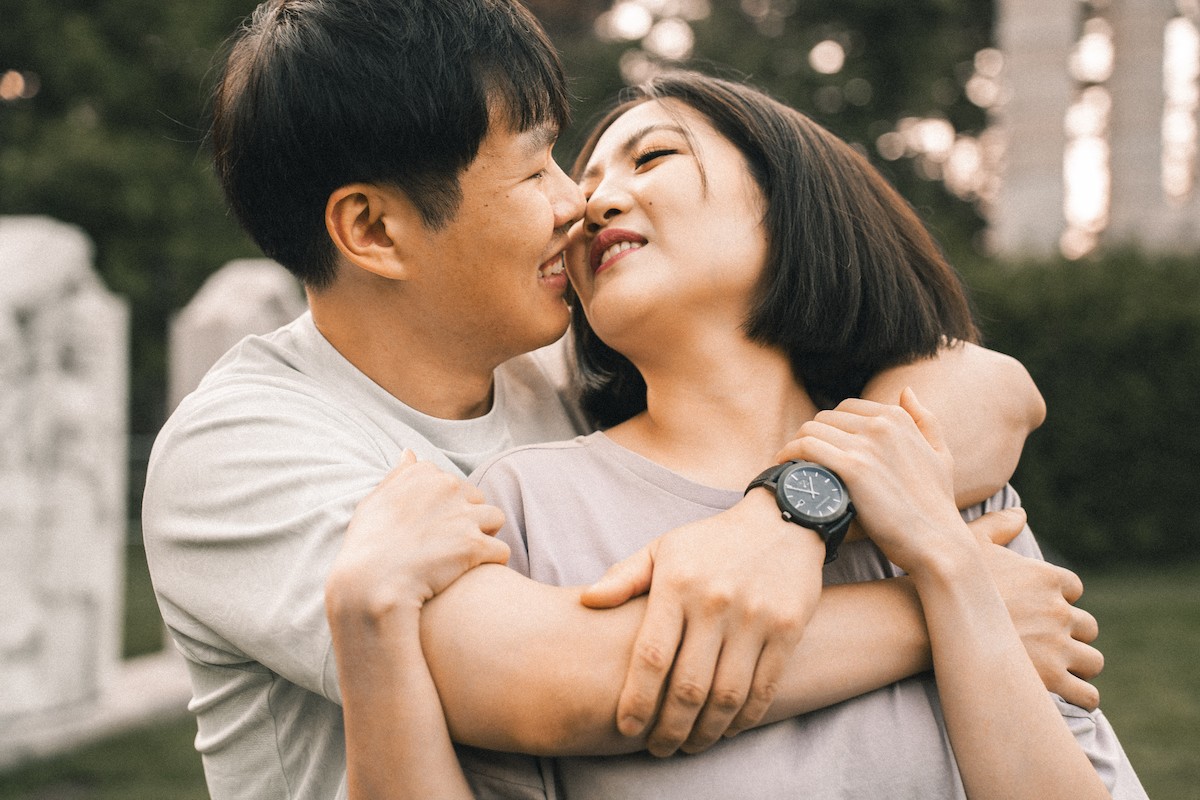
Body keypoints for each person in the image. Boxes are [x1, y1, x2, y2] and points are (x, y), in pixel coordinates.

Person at [143, 1, 1092, 797]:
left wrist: (784, 522)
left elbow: (985, 385)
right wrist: (951, 611)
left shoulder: (556, 366)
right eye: (535, 169)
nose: (579, 202)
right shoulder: (244, 446)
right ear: (375, 231)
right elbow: (556, 683)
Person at [325, 71, 1146, 798]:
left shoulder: (939, 477)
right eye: (586, 185)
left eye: (652, 159)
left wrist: (952, 574)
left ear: (788, 202)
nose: (591, 205)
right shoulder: (523, 507)